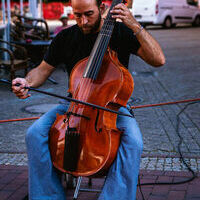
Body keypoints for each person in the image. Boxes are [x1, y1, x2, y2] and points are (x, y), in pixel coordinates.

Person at [12, 0, 165, 199]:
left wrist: (135, 26)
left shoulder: (122, 32)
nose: (83, 21)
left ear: (102, 9)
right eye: (77, 15)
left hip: (112, 107)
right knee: (34, 133)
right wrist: (26, 81)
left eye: (88, 14)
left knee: (134, 141)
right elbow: (42, 70)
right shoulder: (66, 36)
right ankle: (47, 195)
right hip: (73, 103)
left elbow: (158, 60)